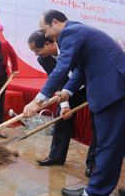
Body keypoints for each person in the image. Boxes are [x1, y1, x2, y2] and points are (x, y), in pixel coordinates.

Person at [23, 10, 125, 196]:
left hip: (113, 89)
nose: (46, 35)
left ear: (55, 22)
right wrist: (67, 92)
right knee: (117, 142)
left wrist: (38, 102)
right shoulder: (77, 32)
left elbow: (62, 68)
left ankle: (94, 193)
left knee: (107, 143)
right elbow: (80, 70)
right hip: (115, 87)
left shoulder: (70, 33)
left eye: (45, 30)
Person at [28, 30, 97, 177]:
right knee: (61, 118)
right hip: (68, 90)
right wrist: (65, 104)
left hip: (92, 86)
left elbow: (83, 70)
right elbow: (56, 79)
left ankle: (93, 164)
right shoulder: (43, 59)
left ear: (48, 44)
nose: (36, 55)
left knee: (98, 124)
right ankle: (56, 157)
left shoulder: (69, 48)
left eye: (37, 51)